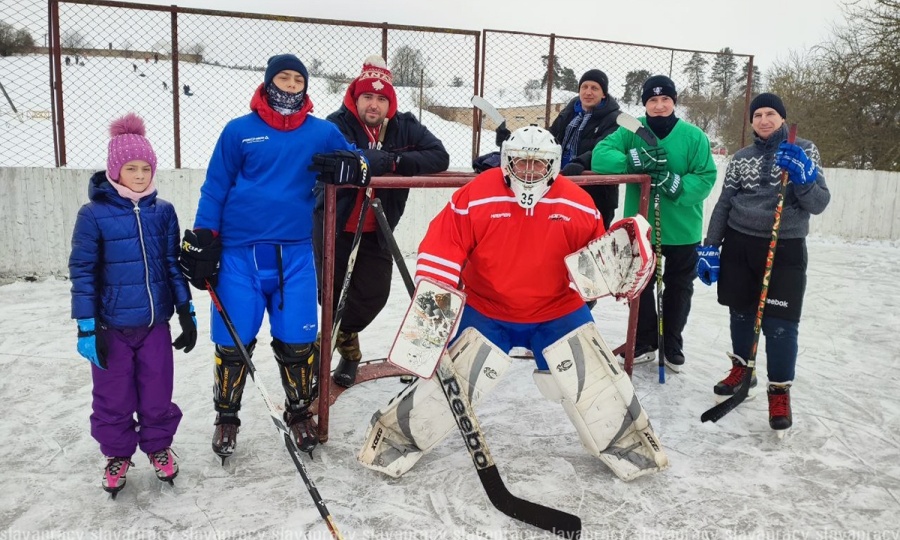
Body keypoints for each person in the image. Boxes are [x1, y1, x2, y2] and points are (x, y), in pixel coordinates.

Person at [357, 126, 668, 481]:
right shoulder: (477, 194)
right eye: (522, 162)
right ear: (506, 161)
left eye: (539, 164)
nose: (530, 171)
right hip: (488, 308)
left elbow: (595, 263)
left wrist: (622, 265)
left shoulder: (577, 202)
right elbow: (444, 243)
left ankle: (628, 444)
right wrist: (435, 304)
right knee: (447, 387)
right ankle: (395, 438)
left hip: (557, 310)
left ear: (554, 165)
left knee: (600, 388)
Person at [177, 53, 371, 460]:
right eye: (282, 78)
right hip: (238, 255)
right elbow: (215, 187)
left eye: (297, 80)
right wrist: (204, 237)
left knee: (299, 341)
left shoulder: (321, 133)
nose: (290, 85)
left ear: (305, 87)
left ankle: (299, 413)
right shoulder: (238, 131)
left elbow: (359, 160)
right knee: (233, 343)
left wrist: (354, 167)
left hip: (295, 255)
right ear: (269, 82)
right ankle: (226, 418)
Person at [69, 113, 196, 497]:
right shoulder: (93, 215)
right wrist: (87, 325)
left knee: (157, 392)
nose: (140, 175)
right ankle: (117, 454)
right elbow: (83, 270)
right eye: (131, 168)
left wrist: (185, 310)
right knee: (113, 397)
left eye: (146, 168)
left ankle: (158, 446)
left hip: (156, 325)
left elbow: (172, 264)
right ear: (114, 170)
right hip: (111, 327)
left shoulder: (164, 212)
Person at [313, 55, 449, 388]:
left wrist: (392, 160)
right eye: (367, 97)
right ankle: (333, 356)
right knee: (329, 294)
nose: (373, 104)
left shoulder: (404, 125)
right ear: (354, 97)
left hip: (378, 226)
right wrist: (361, 160)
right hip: (335, 222)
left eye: (381, 98)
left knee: (374, 294)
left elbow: (439, 156)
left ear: (390, 101)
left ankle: (345, 337)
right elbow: (327, 158)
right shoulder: (336, 123)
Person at [697, 93, 830, 432]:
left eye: (771, 113)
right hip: (741, 244)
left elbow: (818, 204)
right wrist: (711, 245)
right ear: (752, 121)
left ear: (782, 119)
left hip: (784, 247)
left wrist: (804, 177)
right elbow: (726, 202)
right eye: (758, 115)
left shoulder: (805, 149)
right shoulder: (741, 158)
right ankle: (744, 370)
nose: (764, 120)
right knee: (740, 312)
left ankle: (779, 390)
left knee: (781, 325)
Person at [591, 74, 717, 372]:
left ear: (673, 101)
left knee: (679, 286)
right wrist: (634, 161)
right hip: (642, 226)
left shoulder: (693, 136)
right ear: (645, 103)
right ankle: (645, 339)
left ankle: (671, 341)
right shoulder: (631, 129)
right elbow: (600, 157)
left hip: (682, 228)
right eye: (652, 100)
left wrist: (676, 184)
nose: (659, 106)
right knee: (641, 284)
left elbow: (706, 177)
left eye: (665, 100)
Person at [548, 69, 622, 229]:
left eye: (594, 88)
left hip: (596, 192)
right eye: (584, 87)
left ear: (604, 94)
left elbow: (605, 148)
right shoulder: (569, 113)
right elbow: (549, 138)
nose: (588, 92)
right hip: (561, 184)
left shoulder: (615, 119)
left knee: (593, 240)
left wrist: (581, 162)